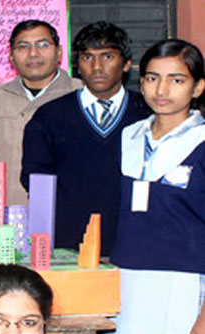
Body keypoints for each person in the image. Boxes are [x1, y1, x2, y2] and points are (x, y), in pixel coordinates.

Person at [98, 40, 205, 334]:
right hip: (128, 293)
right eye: (153, 78)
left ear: (197, 87)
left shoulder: (201, 143)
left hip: (182, 298)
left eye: (177, 79)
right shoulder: (130, 137)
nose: (163, 89)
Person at [21, 21, 149, 256]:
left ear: (126, 64)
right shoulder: (49, 116)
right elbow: (36, 182)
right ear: (77, 65)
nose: (97, 67)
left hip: (136, 243)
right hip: (68, 247)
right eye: (87, 58)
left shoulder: (148, 114)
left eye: (107, 56)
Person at [0, 20, 82, 206]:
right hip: (5, 211)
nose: (33, 53)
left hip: (66, 211)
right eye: (23, 47)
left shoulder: (81, 94)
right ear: (11, 56)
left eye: (43, 45)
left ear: (59, 52)